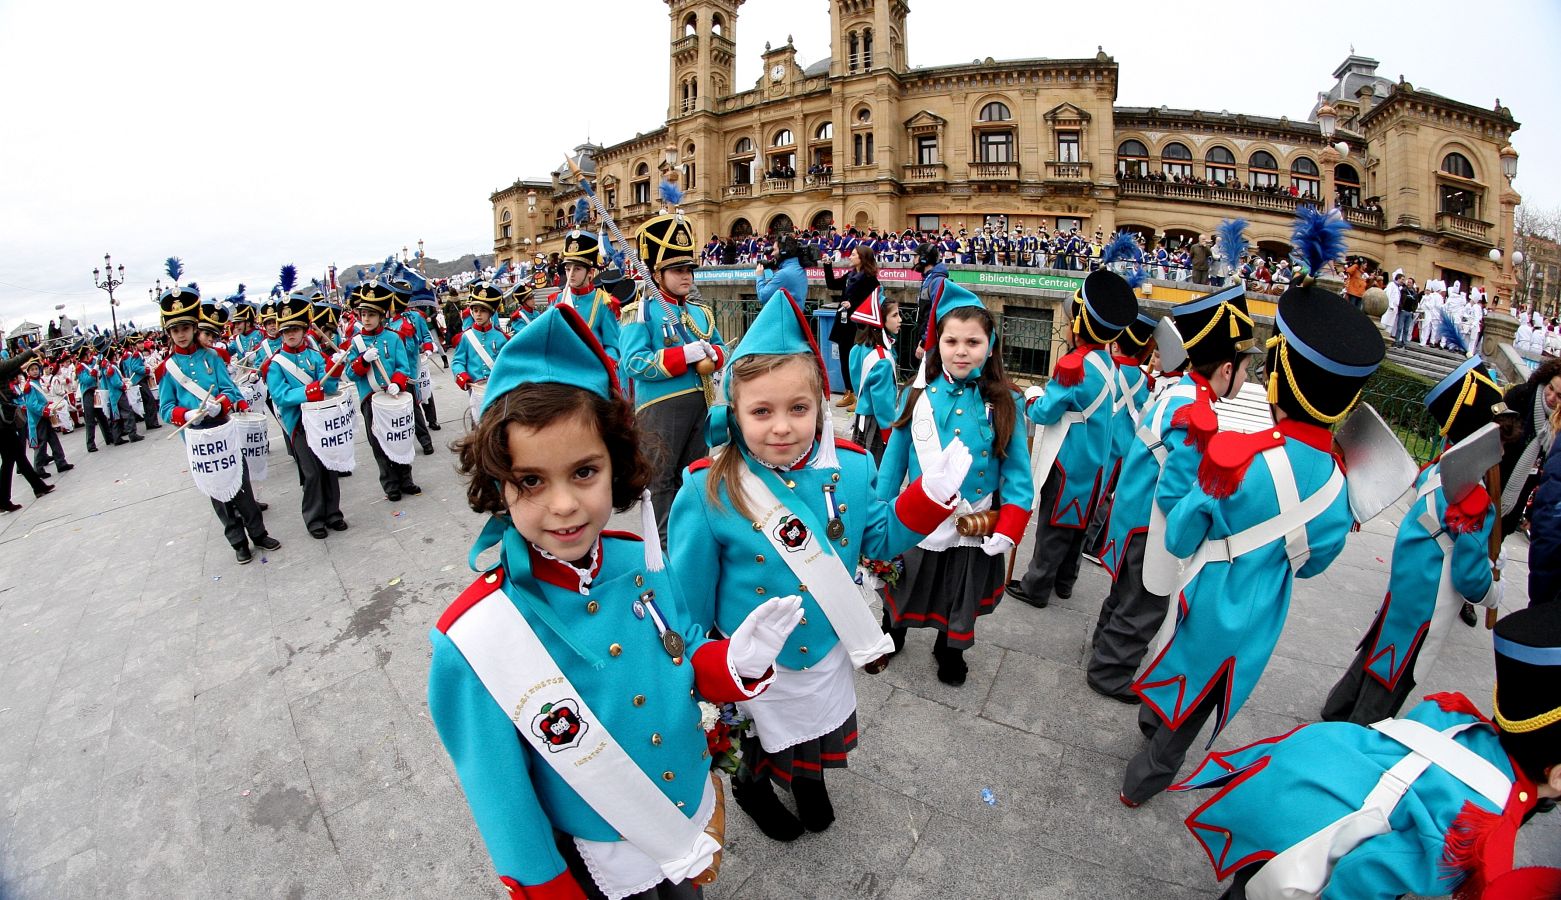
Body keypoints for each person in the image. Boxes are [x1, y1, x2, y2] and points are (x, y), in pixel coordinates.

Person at [429, 303, 803, 899]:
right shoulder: (476, 637)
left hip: (684, 807)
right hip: (594, 848)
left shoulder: (639, 561)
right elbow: (499, 793)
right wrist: (546, 886)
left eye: (584, 472)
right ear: (498, 483)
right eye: (531, 480)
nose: (563, 505)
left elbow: (684, 653)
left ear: (616, 465)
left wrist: (735, 662)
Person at [668, 290, 963, 841]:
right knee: (755, 738)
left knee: (815, 729)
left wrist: (929, 498)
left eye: (798, 409)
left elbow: (879, 537)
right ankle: (753, 787)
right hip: (754, 658)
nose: (782, 427)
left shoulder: (852, 468)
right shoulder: (707, 491)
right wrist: (706, 671)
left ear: (821, 407)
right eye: (761, 411)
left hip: (825, 641)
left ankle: (807, 779)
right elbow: (688, 600)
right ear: (734, 413)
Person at [1121, 281, 1384, 807]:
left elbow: (1181, 535)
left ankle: (1145, 750)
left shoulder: (1239, 456)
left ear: (1280, 377)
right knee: (1205, 692)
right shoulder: (1339, 490)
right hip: (1261, 613)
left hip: (1204, 594)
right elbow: (1310, 566)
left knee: (1175, 659)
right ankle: (1147, 776)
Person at [1173, 601, 1561, 900]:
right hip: (1305, 839)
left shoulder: (1453, 714)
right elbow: (1362, 878)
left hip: (1292, 773)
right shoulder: (1479, 831)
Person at [1321, 356, 1506, 725]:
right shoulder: (1472, 497)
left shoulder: (1436, 471)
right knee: (1397, 670)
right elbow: (1469, 576)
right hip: (1429, 597)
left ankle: (1338, 708)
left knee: (1379, 647)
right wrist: (1493, 592)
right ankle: (1356, 732)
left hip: (1406, 582)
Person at [877, 281, 1033, 685]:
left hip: (972, 521)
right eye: (951, 341)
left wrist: (1010, 525)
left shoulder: (1007, 401)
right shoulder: (917, 396)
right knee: (905, 582)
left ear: (990, 345)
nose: (961, 350)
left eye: (973, 342)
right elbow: (893, 465)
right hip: (919, 519)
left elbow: (1018, 472)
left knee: (960, 591)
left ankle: (950, 649)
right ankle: (892, 631)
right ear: (937, 345)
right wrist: (878, 519)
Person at [1009, 270, 1140, 609]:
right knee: (1078, 526)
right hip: (1097, 461)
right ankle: (1065, 583)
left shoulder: (1074, 365)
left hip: (1069, 459)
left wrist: (1032, 398)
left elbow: (1046, 412)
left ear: (1078, 327)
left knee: (1054, 526)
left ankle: (1037, 587)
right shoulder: (1108, 363)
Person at [155, 262, 281, 564]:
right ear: (169, 332)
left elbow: (232, 391)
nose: (181, 334)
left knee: (241, 485)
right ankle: (237, 542)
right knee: (218, 493)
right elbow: (165, 409)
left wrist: (222, 404)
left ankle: (258, 533)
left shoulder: (212, 357)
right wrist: (185, 414)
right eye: (175, 330)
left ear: (193, 328)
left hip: (223, 428)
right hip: (197, 438)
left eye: (185, 328)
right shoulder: (167, 369)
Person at [619, 187, 725, 544]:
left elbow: (722, 348)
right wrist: (684, 356)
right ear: (656, 273)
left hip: (700, 404)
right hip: (660, 407)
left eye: (689, 269)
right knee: (660, 479)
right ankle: (664, 544)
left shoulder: (700, 313)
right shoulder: (640, 312)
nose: (686, 277)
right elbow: (634, 363)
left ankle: (692, 538)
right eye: (677, 270)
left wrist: (712, 355)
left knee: (694, 475)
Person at [262, 290, 348, 540]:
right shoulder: (275, 364)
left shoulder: (314, 356)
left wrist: (335, 369)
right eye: (286, 330)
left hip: (320, 421)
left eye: (295, 329)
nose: (290, 334)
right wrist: (306, 392)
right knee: (311, 472)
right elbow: (280, 396)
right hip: (298, 424)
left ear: (303, 330)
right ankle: (314, 518)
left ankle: (333, 513)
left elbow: (328, 386)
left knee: (328, 466)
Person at [343, 275, 421, 502]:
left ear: (382, 316)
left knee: (400, 437)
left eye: (371, 314)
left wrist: (397, 382)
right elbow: (350, 374)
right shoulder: (356, 342)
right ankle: (390, 484)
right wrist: (362, 360)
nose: (366, 319)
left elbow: (403, 366)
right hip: (371, 398)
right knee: (378, 443)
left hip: (393, 396)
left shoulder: (394, 338)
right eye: (363, 314)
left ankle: (405, 479)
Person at [1497, 357, 1560, 538]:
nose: (1551, 397)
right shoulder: (1520, 396)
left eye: (1560, 396)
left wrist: (1531, 512)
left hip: (1516, 502)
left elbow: (1549, 475)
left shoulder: (1558, 425)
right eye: (1550, 388)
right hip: (1490, 484)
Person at [822, 245, 881, 410]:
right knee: (844, 357)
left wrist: (853, 304)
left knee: (856, 359)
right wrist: (827, 266)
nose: (850, 257)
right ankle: (849, 392)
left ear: (862, 258)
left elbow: (872, 301)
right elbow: (832, 284)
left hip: (858, 326)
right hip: (843, 322)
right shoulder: (850, 275)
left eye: (854, 255)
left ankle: (860, 395)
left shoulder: (870, 279)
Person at [0, 349, 56, 513]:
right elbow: (11, 364)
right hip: (2, 424)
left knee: (17, 455)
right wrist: (31, 352)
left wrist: (23, 366)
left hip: (4, 422)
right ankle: (3, 500)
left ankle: (38, 487)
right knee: (10, 459)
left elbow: (10, 369)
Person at [848, 289, 901, 461]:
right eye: (895, 315)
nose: (900, 319)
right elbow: (882, 403)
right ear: (881, 320)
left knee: (861, 465)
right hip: (876, 425)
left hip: (861, 417)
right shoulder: (882, 359)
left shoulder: (858, 348)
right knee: (877, 468)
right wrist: (888, 431)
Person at [18, 357, 71, 476]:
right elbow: (32, 405)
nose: (35, 371)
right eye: (32, 369)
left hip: (43, 417)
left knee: (54, 440)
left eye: (36, 369)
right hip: (38, 419)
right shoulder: (29, 386)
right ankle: (38, 469)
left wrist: (49, 405)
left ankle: (61, 463)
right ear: (28, 372)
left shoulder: (36, 383)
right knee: (41, 444)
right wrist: (45, 410)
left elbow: (40, 400)